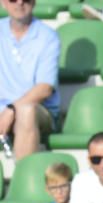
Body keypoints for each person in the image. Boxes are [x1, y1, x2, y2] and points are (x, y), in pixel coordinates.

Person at [0, 0, 60, 160]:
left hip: (38, 110)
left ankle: (23, 180)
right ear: (3, 2)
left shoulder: (48, 36)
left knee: (26, 111)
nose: (19, 2)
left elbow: (44, 88)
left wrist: (12, 109)